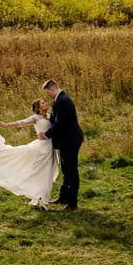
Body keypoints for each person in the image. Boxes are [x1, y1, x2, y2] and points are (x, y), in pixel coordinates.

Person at [0, 99, 58, 210]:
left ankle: (39, 197)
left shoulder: (50, 116)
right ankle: (43, 201)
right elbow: (21, 122)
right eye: (43, 103)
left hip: (51, 148)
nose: (45, 104)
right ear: (38, 108)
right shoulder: (35, 118)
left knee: (48, 174)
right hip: (41, 149)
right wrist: (6, 124)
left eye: (45, 102)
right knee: (44, 173)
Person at [38, 79, 84, 211]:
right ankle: (63, 197)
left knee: (71, 171)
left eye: (48, 93)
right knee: (66, 169)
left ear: (53, 89)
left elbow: (61, 123)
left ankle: (72, 203)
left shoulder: (63, 101)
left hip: (71, 140)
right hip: (66, 140)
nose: (47, 95)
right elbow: (56, 119)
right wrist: (46, 116)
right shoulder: (59, 100)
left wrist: (46, 134)